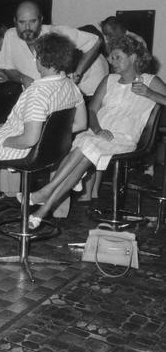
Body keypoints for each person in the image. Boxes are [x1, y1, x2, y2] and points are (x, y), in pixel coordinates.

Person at [25, 35, 166, 228]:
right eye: (110, 57)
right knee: (83, 147)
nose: (110, 61)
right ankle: (42, 211)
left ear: (133, 58)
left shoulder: (151, 81)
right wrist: (98, 129)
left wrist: (150, 94)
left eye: (116, 57)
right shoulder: (109, 80)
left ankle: (47, 190)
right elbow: (91, 110)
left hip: (125, 138)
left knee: (86, 146)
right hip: (99, 135)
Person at [0, 33, 86, 162]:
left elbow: (29, 139)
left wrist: (3, 142)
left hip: (25, 151)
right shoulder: (71, 86)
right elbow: (81, 124)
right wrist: (48, 135)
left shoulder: (37, 92)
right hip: (51, 148)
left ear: (39, 58)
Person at [0, 1, 108, 97]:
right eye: (22, 22)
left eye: (32, 21)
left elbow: (95, 41)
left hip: (59, 96)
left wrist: (78, 74)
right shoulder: (10, 35)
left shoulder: (56, 32)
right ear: (15, 21)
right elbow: (7, 67)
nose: (27, 28)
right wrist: (22, 78)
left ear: (41, 20)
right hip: (32, 99)